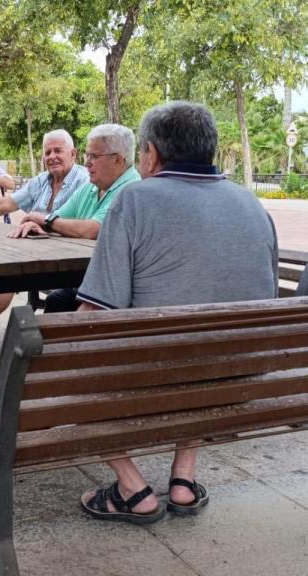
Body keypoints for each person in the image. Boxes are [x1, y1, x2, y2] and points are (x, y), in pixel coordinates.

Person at [76, 102, 278, 524]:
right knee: (201, 343)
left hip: (158, 377)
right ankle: (183, 481)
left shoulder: (135, 200)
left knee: (59, 360)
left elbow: (92, 313)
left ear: (150, 153)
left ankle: (132, 489)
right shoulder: (251, 203)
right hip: (238, 375)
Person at [0, 129, 89, 341]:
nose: (51, 157)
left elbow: (85, 225)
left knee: (7, 273)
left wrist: (45, 225)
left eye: (58, 151)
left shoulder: (84, 181)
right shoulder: (43, 180)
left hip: (66, 258)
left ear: (73, 154)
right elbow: (6, 203)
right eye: (47, 152)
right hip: (33, 251)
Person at [11, 124, 141, 313]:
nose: (87, 162)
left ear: (119, 160)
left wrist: (46, 221)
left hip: (117, 291)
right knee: (56, 301)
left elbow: (93, 230)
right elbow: (58, 218)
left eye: (94, 157)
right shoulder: (92, 186)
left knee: (60, 306)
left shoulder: (131, 189)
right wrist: (37, 223)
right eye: (87, 155)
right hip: (88, 279)